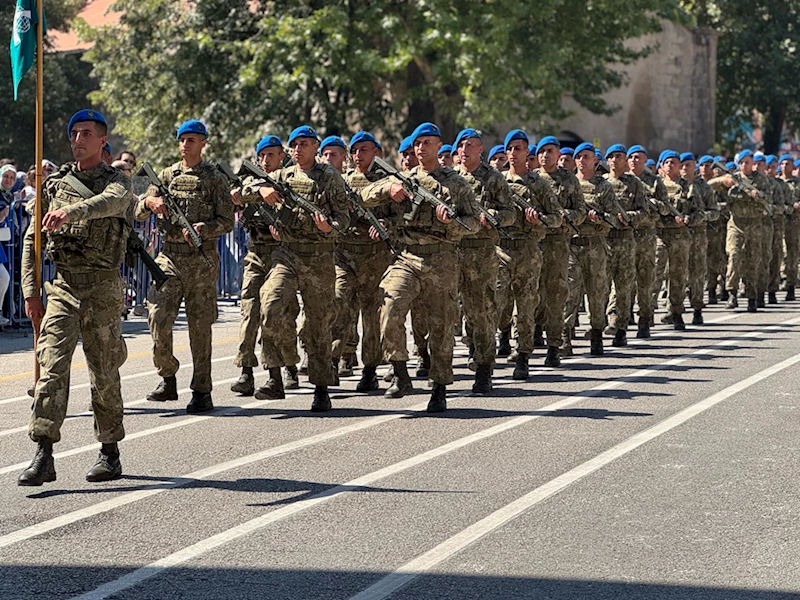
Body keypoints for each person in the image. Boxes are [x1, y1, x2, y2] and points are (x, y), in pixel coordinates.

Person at [18, 109, 133, 486]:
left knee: (103, 371)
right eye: (74, 134)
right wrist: (31, 290)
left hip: (102, 287)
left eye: (86, 133)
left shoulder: (118, 182)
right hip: (64, 287)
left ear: (102, 141)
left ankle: (110, 450)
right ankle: (44, 452)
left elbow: (110, 204)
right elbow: (32, 239)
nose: (78, 139)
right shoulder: (54, 185)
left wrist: (72, 211)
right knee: (51, 368)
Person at [362, 122, 479, 412]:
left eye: (427, 142)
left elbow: (474, 223)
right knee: (388, 306)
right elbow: (364, 198)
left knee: (440, 326)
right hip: (407, 256)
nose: (421, 147)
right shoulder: (402, 178)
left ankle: (439, 387)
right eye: (417, 143)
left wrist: (450, 222)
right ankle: (401, 374)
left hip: (442, 259)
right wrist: (389, 188)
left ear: (439, 147)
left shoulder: (456, 183)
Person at [138, 119, 234, 413]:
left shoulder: (215, 178)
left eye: (192, 139)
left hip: (201, 260)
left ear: (203, 143)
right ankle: (167, 378)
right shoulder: (166, 175)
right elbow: (140, 209)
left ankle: (202, 390)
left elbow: (228, 221)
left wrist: (206, 228)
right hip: (170, 256)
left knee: (199, 326)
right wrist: (150, 202)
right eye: (182, 139)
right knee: (157, 315)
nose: (185, 144)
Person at [255, 125, 350, 411]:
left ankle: (321, 387)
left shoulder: (329, 177)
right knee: (270, 304)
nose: (298, 149)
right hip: (287, 254)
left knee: (318, 323)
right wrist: (262, 189)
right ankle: (275, 376)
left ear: (315, 147)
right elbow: (244, 189)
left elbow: (343, 219)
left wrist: (328, 226)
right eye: (294, 144)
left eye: (304, 144)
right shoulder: (282, 175)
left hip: (319, 257)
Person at [230, 135, 299, 395]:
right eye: (263, 155)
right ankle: (246, 372)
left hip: (283, 255)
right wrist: (244, 195)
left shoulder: (290, 182)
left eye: (272, 154)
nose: (267, 160)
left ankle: (288, 365)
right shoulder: (252, 182)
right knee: (250, 312)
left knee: (283, 315)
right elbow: (236, 194)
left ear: (282, 156)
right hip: (256, 255)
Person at [330, 131, 397, 393]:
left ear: (376, 153)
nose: (359, 155)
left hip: (375, 258)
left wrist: (386, 225)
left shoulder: (389, 183)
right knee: (338, 306)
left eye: (365, 150)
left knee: (371, 317)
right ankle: (332, 362)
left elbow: (401, 217)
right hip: (345, 256)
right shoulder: (343, 181)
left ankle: (370, 369)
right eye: (355, 150)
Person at [496, 129, 563, 378]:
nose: (514, 153)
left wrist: (540, 219)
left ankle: (523, 355)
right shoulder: (497, 181)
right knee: (496, 303)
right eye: (510, 148)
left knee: (525, 306)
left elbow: (557, 218)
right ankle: (490, 349)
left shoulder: (539, 184)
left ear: (527, 152)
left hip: (527, 249)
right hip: (500, 249)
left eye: (519, 148)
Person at [453, 128, 515, 392]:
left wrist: (493, 217)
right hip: (451, 253)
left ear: (481, 150)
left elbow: (510, 214)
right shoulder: (450, 178)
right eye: (462, 145)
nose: (466, 150)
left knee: (481, 313)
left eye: (472, 145)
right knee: (449, 313)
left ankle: (483, 367)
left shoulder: (493, 179)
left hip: (482, 254)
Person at [564, 144, 625, 356]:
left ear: (595, 161)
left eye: (586, 157)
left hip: (596, 245)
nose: (582, 160)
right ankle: (565, 338)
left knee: (597, 294)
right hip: (572, 244)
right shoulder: (569, 184)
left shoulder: (604, 187)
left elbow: (613, 218)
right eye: (578, 156)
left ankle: (597, 333)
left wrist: (599, 218)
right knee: (569, 293)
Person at [534, 136, 587, 367]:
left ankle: (555, 343)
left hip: (557, 244)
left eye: (551, 151)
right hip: (532, 243)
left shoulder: (569, 180)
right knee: (530, 294)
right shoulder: (531, 179)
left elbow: (581, 211)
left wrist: (567, 217)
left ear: (558, 155)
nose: (546, 155)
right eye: (542, 151)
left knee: (556, 294)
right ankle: (530, 335)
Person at [652, 150, 704, 329]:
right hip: (660, 236)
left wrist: (689, 219)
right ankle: (648, 311)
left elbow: (699, 212)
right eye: (667, 162)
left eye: (674, 162)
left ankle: (676, 312)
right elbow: (649, 211)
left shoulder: (689, 187)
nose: (670, 165)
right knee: (655, 274)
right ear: (662, 166)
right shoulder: (656, 186)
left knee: (678, 276)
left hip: (681, 237)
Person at [602, 144, 648, 346]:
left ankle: (619, 326)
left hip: (625, 240)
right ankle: (600, 322)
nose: (614, 160)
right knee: (601, 286)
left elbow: (645, 212)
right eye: (610, 156)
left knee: (623, 286)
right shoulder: (601, 183)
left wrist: (630, 217)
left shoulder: (634, 184)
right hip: (603, 240)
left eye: (618, 156)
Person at [626, 145, 664, 336]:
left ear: (644, 159)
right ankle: (623, 317)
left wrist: (650, 203)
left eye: (637, 157)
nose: (634, 160)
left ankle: (644, 318)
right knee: (624, 279)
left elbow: (664, 208)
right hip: (625, 236)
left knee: (645, 279)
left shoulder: (655, 181)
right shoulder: (623, 180)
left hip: (646, 236)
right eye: (631, 157)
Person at [680, 153, 719, 324]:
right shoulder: (673, 185)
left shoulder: (704, 187)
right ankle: (675, 309)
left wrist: (701, 217)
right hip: (676, 236)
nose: (684, 168)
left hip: (697, 236)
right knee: (676, 273)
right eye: (681, 165)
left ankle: (697, 308)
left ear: (694, 166)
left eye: (688, 165)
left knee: (697, 272)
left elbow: (715, 212)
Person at [779, 154, 800, 300]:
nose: (785, 166)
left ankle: (790, 283)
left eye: (788, 164)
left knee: (792, 252)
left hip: (794, 222)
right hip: (778, 222)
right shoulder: (776, 183)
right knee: (779, 252)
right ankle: (779, 279)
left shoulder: (797, 183)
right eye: (783, 164)